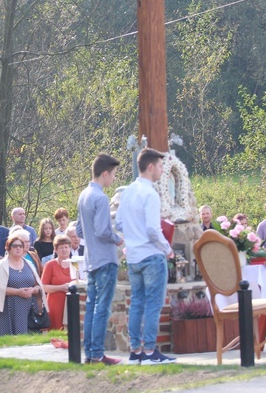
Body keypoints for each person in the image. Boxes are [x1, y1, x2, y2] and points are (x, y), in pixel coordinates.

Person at [117, 147, 177, 365]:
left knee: (137, 304)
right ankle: (151, 352)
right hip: (151, 255)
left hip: (133, 256)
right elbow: (153, 229)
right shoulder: (150, 193)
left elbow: (120, 223)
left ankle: (135, 352)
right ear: (150, 167)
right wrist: (167, 248)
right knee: (153, 304)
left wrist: (133, 237)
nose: (162, 170)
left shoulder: (128, 191)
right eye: (160, 166)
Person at [76, 153, 123, 365]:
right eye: (113, 175)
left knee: (92, 306)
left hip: (91, 260)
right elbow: (104, 231)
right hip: (105, 259)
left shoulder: (83, 195)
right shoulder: (101, 197)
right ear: (105, 173)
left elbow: (78, 230)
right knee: (102, 308)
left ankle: (91, 353)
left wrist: (94, 240)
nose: (113, 179)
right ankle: (97, 353)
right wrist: (118, 238)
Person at [0, 233, 46, 336]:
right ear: (8, 248)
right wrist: (17, 292)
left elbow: (38, 285)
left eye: (20, 246)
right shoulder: (1, 265)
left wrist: (33, 290)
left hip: (30, 309)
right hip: (10, 308)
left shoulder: (28, 264)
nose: (18, 248)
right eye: (15, 246)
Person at [41, 234, 73, 330]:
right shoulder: (50, 265)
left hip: (72, 304)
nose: (64, 250)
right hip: (55, 304)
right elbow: (43, 287)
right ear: (55, 249)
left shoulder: (75, 263)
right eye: (61, 247)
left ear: (70, 248)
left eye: (66, 247)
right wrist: (61, 287)